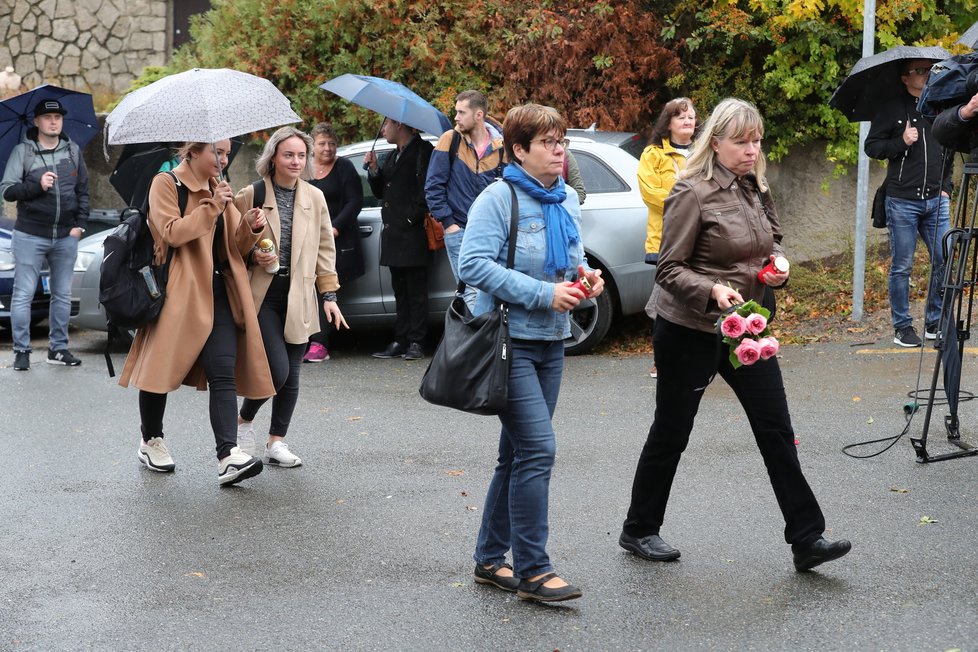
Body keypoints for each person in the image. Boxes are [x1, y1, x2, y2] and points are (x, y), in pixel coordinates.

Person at [618, 98, 851, 573]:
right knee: (672, 431)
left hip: (748, 329)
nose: (752, 150)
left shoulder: (756, 186)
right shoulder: (691, 191)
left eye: (757, 140)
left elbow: (774, 240)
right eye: (742, 141)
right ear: (716, 142)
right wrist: (712, 290)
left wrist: (777, 267)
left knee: (777, 429)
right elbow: (668, 269)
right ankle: (639, 529)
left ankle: (808, 538)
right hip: (689, 329)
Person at [459, 103, 605, 603]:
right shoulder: (497, 199)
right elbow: (473, 264)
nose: (559, 150)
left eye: (561, 141)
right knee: (538, 449)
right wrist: (543, 294)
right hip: (508, 343)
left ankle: (488, 558)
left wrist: (586, 279)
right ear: (519, 150)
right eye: (547, 142)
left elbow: (574, 259)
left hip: (552, 342)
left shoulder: (565, 201)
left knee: (516, 453)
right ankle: (533, 570)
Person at [119, 140, 274, 487]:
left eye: (226, 152)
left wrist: (250, 225)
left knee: (223, 372)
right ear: (193, 151)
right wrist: (212, 208)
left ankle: (227, 456)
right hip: (180, 292)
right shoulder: (166, 182)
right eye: (216, 152)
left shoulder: (218, 188)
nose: (223, 158)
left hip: (218, 292)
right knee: (161, 371)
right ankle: (151, 439)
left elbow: (233, 246)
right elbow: (171, 232)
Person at [233, 127, 348, 467]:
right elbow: (228, 246)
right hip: (263, 294)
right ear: (273, 158)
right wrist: (253, 253)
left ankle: (276, 442)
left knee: (293, 373)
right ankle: (244, 419)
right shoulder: (251, 193)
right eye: (289, 155)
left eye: (301, 155)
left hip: (299, 293)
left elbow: (325, 249)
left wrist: (329, 295)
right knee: (278, 370)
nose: (296, 161)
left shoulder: (315, 197)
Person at [865, 59, 954, 348]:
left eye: (930, 70)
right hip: (902, 200)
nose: (927, 74)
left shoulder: (939, 106)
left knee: (945, 257)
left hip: (935, 200)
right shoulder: (891, 108)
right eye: (921, 71)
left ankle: (934, 321)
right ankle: (902, 327)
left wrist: (946, 188)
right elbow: (873, 147)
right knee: (902, 266)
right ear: (905, 78)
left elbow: (951, 148)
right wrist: (901, 141)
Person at [1, 98, 89, 370]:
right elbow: (8, 190)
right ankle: (21, 351)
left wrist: (79, 225)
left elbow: (83, 191)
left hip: (65, 236)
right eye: (48, 117)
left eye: (58, 117)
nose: (54, 121)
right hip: (30, 235)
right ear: (37, 121)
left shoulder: (73, 151)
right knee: (23, 294)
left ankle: (58, 349)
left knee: (62, 295)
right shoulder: (23, 152)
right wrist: (36, 184)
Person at [425, 90, 506, 308]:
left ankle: (488, 340)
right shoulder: (450, 139)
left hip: (492, 231)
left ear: (478, 114)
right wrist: (448, 224)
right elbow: (433, 186)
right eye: (456, 112)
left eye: (461, 112)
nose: (456, 118)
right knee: (470, 291)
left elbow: (509, 189)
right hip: (459, 228)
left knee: (492, 290)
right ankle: (477, 340)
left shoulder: (501, 146)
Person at [636, 97, 698, 379]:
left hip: (702, 237)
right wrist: (688, 199)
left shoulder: (704, 152)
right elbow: (650, 194)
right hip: (667, 239)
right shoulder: (653, 154)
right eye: (681, 116)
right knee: (664, 300)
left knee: (698, 296)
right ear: (668, 122)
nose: (688, 121)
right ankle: (661, 359)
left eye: (692, 117)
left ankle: (698, 357)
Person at [364, 118, 433, 360]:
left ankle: (417, 341)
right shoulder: (393, 155)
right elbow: (382, 192)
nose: (383, 129)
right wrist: (374, 170)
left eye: (386, 125)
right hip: (394, 235)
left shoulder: (423, 151)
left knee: (416, 291)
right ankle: (401, 340)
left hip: (412, 234)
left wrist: (408, 221)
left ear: (399, 125)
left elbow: (427, 191)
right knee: (400, 292)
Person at [303, 122, 364, 363]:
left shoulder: (345, 167)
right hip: (308, 240)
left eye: (332, 144)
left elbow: (354, 202)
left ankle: (320, 344)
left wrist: (334, 228)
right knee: (307, 288)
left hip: (337, 241)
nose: (327, 148)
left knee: (324, 289)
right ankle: (307, 340)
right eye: (322, 144)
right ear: (312, 145)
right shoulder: (304, 170)